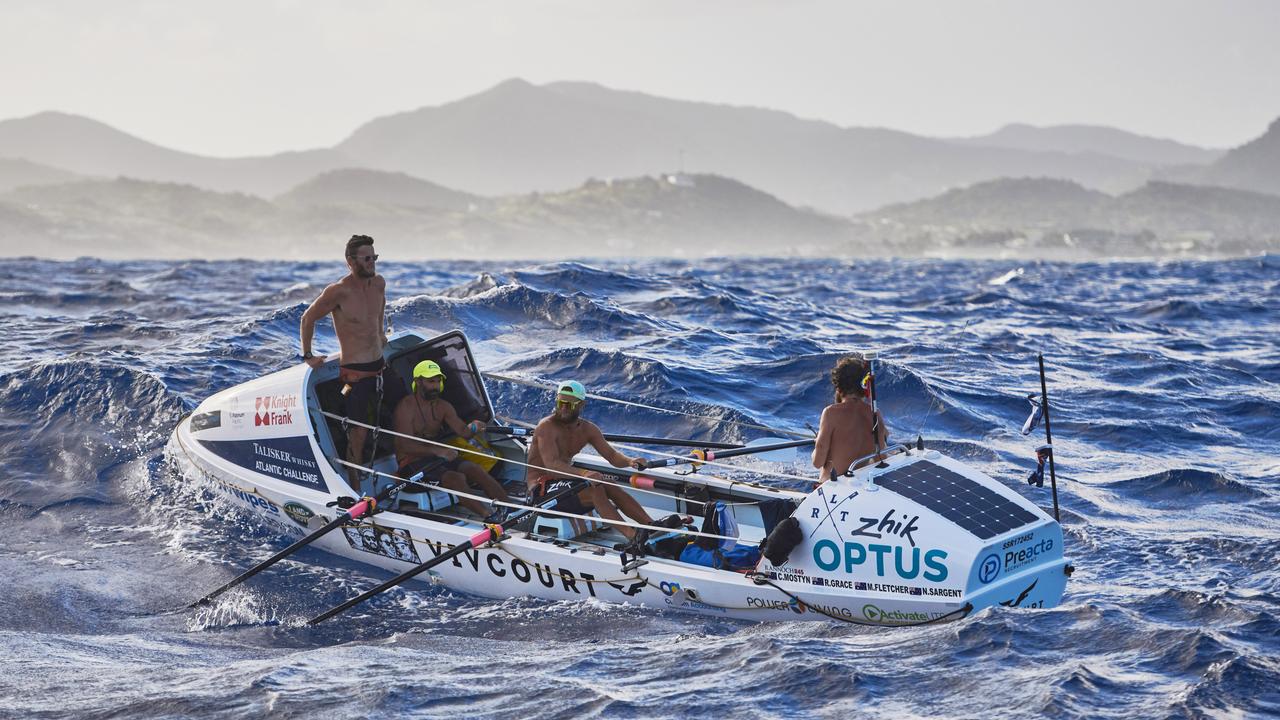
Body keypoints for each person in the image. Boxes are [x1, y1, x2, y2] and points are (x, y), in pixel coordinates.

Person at [299, 235, 406, 491]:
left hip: (380, 366)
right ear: (350, 261)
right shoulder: (338, 291)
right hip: (356, 373)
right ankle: (356, 484)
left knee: (407, 408)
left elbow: (378, 311)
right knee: (358, 432)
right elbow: (307, 318)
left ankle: (408, 464)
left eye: (375, 258)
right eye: (367, 259)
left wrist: (380, 334)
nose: (372, 263)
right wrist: (308, 355)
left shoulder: (379, 283)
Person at [525, 380, 654, 542]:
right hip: (540, 491)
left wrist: (630, 461)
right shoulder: (546, 427)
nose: (563, 408)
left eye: (569, 405)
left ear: (581, 405)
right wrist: (585, 473)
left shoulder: (588, 429)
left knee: (610, 484)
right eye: (560, 403)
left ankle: (651, 526)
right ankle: (633, 536)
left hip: (563, 482)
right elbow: (552, 466)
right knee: (595, 488)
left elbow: (613, 456)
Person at [393, 360, 510, 520]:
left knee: (474, 468)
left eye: (438, 381)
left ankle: (510, 511)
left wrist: (474, 427)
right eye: (431, 381)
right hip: (412, 465)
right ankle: (489, 517)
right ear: (418, 382)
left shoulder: (443, 406)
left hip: (436, 460)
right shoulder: (405, 407)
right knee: (455, 478)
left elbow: (464, 432)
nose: (436, 386)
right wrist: (438, 450)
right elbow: (404, 445)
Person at [811, 354, 889, 483]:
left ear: (838, 386)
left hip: (832, 490)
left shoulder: (830, 413)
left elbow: (817, 462)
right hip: (858, 486)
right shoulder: (875, 414)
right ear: (864, 386)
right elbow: (881, 458)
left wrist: (817, 443)